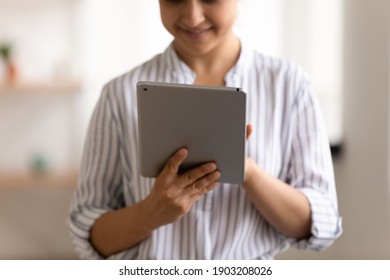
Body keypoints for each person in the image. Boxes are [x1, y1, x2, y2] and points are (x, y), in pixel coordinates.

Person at [68, 0, 342, 259]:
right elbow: (87, 231)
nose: (193, 17)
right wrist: (150, 214)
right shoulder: (119, 95)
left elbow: (322, 224)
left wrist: (246, 171)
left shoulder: (289, 86)